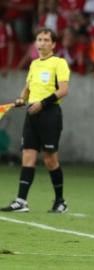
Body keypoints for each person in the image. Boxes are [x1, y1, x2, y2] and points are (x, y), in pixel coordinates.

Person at [1, 27, 70, 213]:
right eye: (40, 39)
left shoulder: (59, 63)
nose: (42, 43)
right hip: (32, 115)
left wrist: (42, 103)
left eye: (47, 40)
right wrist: (22, 98)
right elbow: (28, 87)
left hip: (50, 115)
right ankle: (21, 201)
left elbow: (63, 90)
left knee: (50, 159)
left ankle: (60, 201)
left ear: (53, 44)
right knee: (28, 156)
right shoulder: (34, 64)